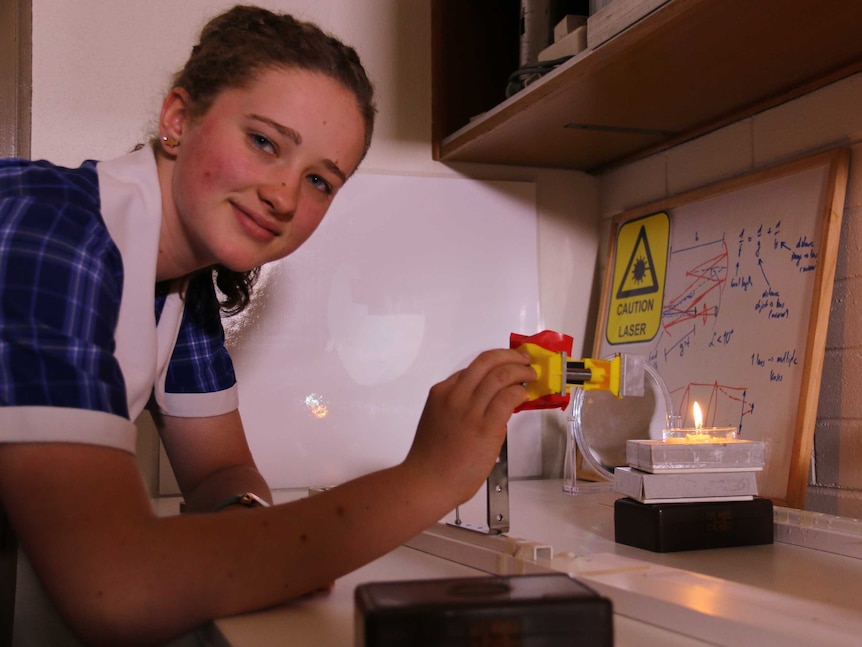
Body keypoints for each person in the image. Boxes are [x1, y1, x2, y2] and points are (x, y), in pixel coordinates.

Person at [0, 5, 535, 646]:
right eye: (263, 142)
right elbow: (116, 587)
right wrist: (432, 477)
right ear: (178, 119)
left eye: (318, 180)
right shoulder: (50, 236)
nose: (285, 195)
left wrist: (250, 530)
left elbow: (221, 476)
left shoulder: (177, 283)